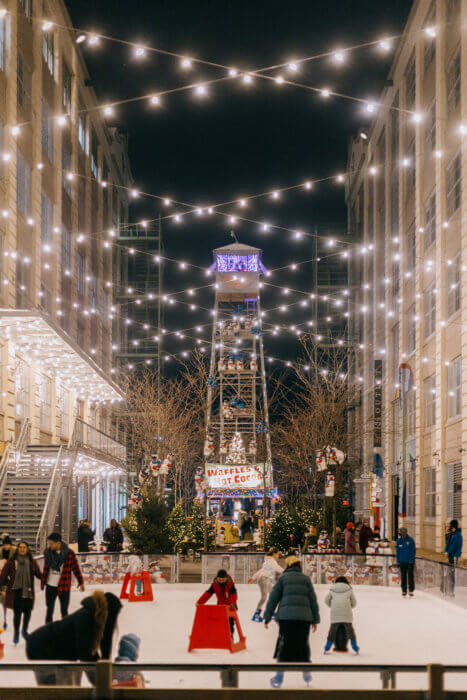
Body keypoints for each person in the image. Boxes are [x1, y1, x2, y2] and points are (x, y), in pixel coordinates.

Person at [27, 590, 122, 686]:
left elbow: (98, 649)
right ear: (108, 613)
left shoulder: (93, 618)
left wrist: (104, 672)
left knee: (72, 679)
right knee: (57, 691)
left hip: (59, 653)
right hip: (42, 649)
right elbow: (86, 655)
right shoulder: (85, 616)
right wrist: (103, 684)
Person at [264, 555, 320, 689]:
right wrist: (315, 619)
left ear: (288, 566)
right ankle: (306, 673)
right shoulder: (306, 579)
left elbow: (273, 599)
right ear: (299, 566)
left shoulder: (283, 578)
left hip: (286, 618)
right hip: (304, 619)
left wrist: (267, 616)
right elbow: (313, 600)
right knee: (303, 644)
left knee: (284, 645)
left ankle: (279, 676)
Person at [0, 540, 42, 644]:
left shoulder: (32, 561)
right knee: (17, 615)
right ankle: (16, 633)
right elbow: (3, 577)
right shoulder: (11, 562)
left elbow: (38, 574)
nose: (22, 549)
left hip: (28, 591)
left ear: (27, 549)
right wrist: (3, 586)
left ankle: (24, 630)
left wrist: (46, 579)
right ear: (17, 549)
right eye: (20, 547)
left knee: (27, 613)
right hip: (16, 592)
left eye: (24, 547)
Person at [41, 532, 85, 623]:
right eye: (49, 543)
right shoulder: (47, 552)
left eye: (51, 543)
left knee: (64, 611)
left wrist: (81, 582)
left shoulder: (69, 553)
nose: (50, 545)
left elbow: (75, 568)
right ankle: (48, 631)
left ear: (58, 543)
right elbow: (46, 568)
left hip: (64, 586)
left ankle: (65, 631)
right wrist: (43, 581)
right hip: (50, 585)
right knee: (49, 611)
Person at [197, 569, 238, 637]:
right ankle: (221, 637)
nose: (221, 581)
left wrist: (232, 603)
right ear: (217, 578)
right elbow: (209, 593)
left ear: (226, 578)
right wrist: (200, 602)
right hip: (220, 606)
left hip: (230, 606)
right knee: (220, 622)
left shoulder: (230, 584)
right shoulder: (215, 584)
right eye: (220, 579)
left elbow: (233, 594)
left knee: (230, 623)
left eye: (223, 579)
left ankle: (230, 637)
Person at [323, 576, 359, 654]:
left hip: (335, 613)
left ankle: (327, 647)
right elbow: (354, 603)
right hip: (346, 613)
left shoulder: (332, 589)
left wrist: (332, 605)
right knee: (350, 631)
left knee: (332, 631)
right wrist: (349, 606)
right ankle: (355, 647)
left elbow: (326, 600)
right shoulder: (349, 589)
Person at [248, 546, 283, 621]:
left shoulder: (267, 561)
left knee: (268, 596)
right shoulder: (271, 561)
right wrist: (287, 571)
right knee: (269, 596)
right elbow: (276, 568)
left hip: (262, 579)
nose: (278, 556)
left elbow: (261, 570)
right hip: (265, 579)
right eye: (277, 554)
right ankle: (263, 613)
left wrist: (253, 577)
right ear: (274, 554)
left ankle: (264, 613)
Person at [0, 535, 16, 630]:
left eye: (7, 545)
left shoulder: (14, 552)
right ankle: (4, 620)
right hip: (2, 578)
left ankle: (12, 619)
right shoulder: (1, 552)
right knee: (3, 600)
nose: (6, 546)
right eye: (4, 545)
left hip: (10, 578)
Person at [444, 519, 463, 596]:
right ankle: (448, 589)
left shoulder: (458, 535)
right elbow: (448, 543)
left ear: (455, 527)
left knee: (452, 573)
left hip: (454, 555)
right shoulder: (452, 534)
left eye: (452, 527)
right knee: (449, 573)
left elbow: (454, 546)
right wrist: (446, 551)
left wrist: (448, 552)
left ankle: (451, 591)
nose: (450, 528)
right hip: (450, 555)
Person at [396, 527, 416, 597]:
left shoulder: (411, 540)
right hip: (402, 562)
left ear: (406, 532)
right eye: (401, 533)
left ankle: (411, 590)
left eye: (404, 532)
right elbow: (397, 552)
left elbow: (413, 551)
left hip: (409, 562)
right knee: (403, 576)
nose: (402, 534)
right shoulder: (398, 541)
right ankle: (404, 590)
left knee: (410, 576)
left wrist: (411, 561)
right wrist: (398, 561)